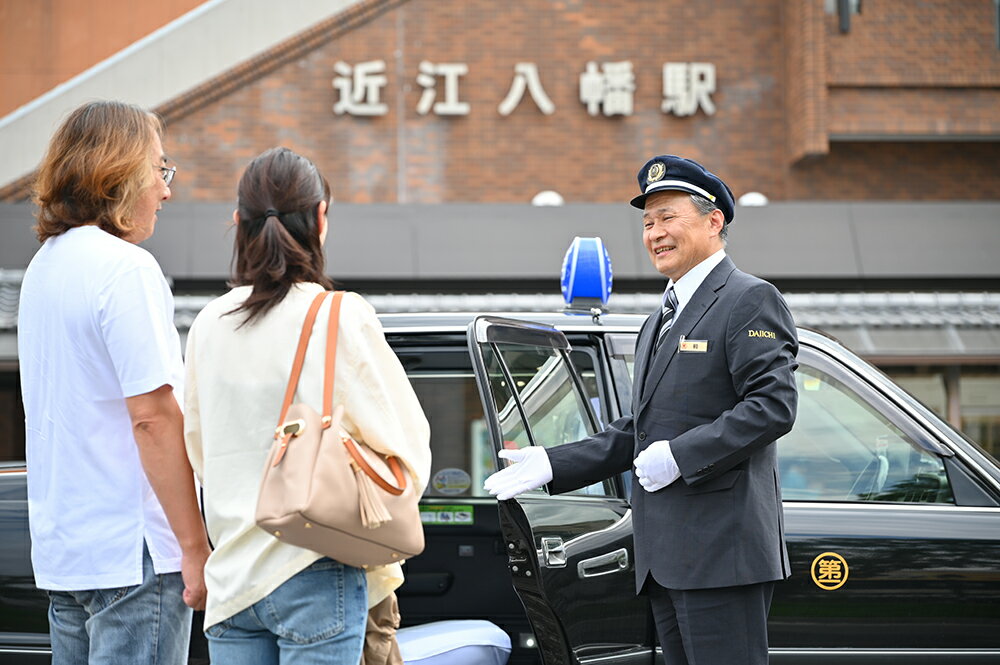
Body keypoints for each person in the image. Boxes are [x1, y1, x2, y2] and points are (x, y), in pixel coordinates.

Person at [485, 155, 799, 665]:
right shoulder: (660, 318)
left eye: (668, 218)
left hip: (722, 556)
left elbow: (772, 407)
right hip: (665, 557)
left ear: (713, 220)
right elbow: (642, 429)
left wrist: (680, 455)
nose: (655, 233)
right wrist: (553, 463)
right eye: (648, 222)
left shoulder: (748, 298)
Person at [183, 147, 431, 664]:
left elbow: (201, 453)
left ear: (238, 223)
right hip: (314, 564)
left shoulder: (208, 324)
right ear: (320, 218)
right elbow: (405, 450)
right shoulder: (338, 314)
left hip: (230, 581)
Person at [18, 100, 210, 664]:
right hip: (135, 553)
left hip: (67, 553)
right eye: (159, 168)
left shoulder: (44, 268)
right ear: (118, 172)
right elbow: (152, 415)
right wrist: (193, 545)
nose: (166, 189)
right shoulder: (126, 269)